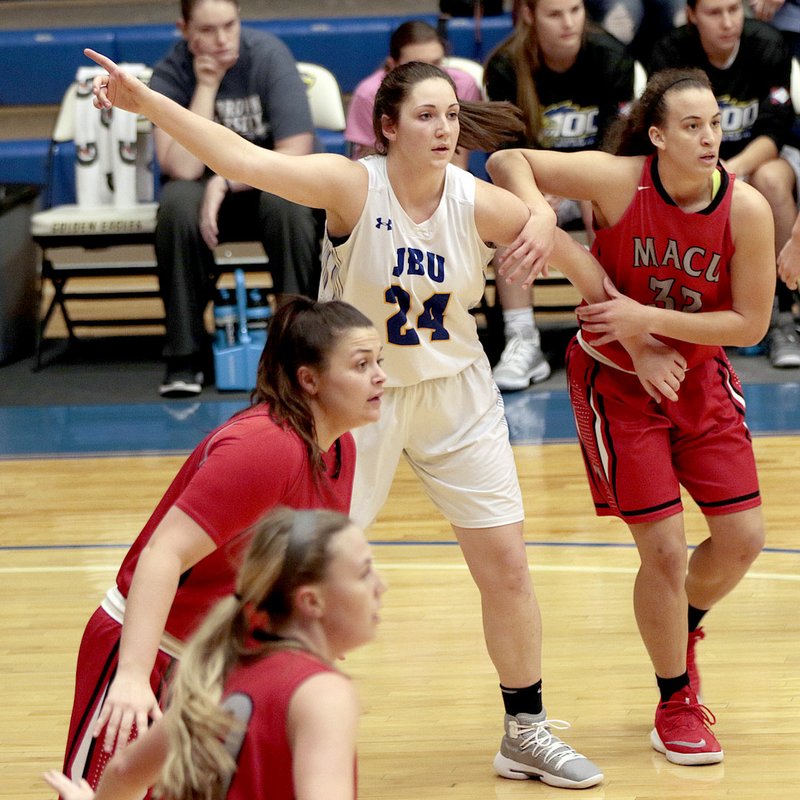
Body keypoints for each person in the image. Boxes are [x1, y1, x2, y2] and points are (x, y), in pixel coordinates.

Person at [82, 48, 632, 788]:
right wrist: (148, 103)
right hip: (353, 404)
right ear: (387, 127)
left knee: (506, 565)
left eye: (452, 115)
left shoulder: (476, 201)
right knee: (300, 570)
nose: (444, 129)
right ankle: (242, 705)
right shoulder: (352, 185)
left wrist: (627, 325)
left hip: (456, 393)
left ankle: (525, 729)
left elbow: (566, 250)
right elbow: (244, 160)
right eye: (427, 115)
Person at [487, 67, 773, 766]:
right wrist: (541, 211)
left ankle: (684, 625)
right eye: (692, 126)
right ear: (656, 135)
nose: (710, 137)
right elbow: (507, 158)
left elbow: (751, 325)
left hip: (698, 377)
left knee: (741, 540)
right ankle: (675, 699)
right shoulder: (621, 180)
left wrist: (648, 317)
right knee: (667, 553)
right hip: (615, 381)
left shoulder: (747, 209)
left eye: (715, 124)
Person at [56, 296, 385, 795]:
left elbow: (286, 571)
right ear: (309, 380)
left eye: (378, 362)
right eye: (362, 365)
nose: (379, 376)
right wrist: (131, 675)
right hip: (148, 646)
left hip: (215, 667)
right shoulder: (266, 447)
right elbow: (163, 554)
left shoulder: (340, 446)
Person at [44, 506, 386, 800]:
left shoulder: (215, 676)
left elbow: (122, 771)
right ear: (311, 600)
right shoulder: (322, 694)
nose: (380, 585)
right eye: (364, 572)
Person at [151, 0, 321, 398]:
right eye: (207, 31)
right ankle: (185, 357)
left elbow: (295, 152)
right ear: (184, 29)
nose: (223, 39)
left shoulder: (269, 56)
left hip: (265, 186)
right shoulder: (172, 72)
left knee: (289, 202)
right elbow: (184, 168)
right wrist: (207, 86)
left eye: (229, 25)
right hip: (202, 199)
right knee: (176, 203)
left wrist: (227, 180)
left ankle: (298, 350)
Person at [484, 0, 635, 390]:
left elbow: (615, 148)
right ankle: (523, 339)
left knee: (596, 200)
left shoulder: (611, 57)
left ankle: (614, 325)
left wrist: (572, 185)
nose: (568, 23)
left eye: (575, 10)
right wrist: (534, 195)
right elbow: (504, 154)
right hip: (533, 187)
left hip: (592, 182)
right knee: (512, 213)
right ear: (530, 16)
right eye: (554, 14)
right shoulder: (505, 67)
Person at [648, 0, 800, 368]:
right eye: (715, 13)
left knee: (771, 180)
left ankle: (781, 314)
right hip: (691, 163)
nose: (728, 21)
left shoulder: (767, 43)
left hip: (757, 156)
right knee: (671, 185)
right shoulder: (670, 52)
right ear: (692, 15)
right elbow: (659, 134)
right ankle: (684, 313)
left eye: (734, 9)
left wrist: (727, 171)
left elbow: (773, 132)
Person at [345, 19, 482, 168]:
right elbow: (369, 164)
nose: (428, 73)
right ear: (392, 65)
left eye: (436, 63)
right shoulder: (368, 94)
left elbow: (457, 163)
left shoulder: (464, 85)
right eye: (416, 65)